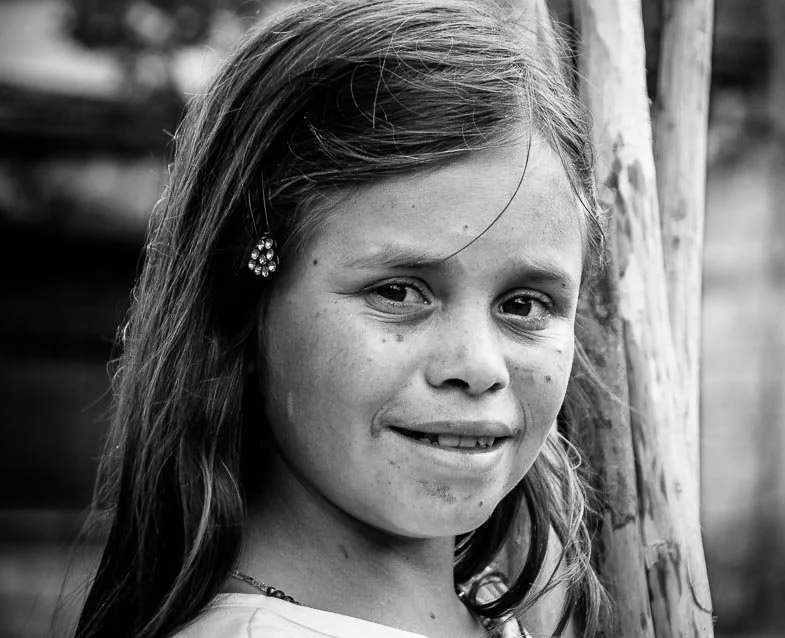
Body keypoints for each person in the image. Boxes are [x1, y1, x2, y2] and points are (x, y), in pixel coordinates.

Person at [73, 1, 610, 636]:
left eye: (524, 306)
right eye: (399, 293)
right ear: (242, 306)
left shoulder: (506, 608)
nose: (478, 367)